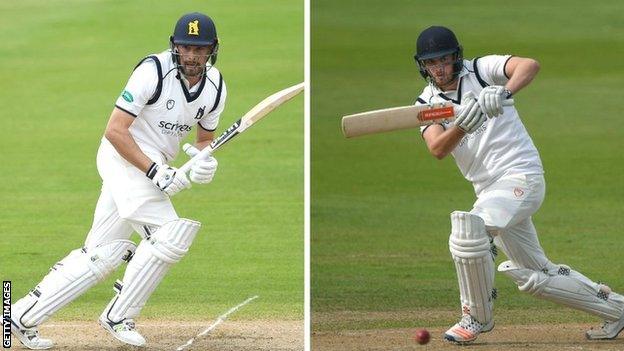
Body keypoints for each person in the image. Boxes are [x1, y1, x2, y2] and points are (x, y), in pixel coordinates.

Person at [9, 12, 225, 349]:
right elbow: (114, 131)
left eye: (199, 48)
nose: (192, 55)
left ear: (212, 49)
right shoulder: (152, 72)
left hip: (153, 165)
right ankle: (118, 315)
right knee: (171, 234)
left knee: (101, 252)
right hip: (123, 157)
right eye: (186, 47)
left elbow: (203, 140)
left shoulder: (216, 86)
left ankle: (19, 318)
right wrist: (154, 171)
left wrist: (203, 161)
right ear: (175, 47)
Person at [413, 25, 624, 344]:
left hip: (520, 175)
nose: (439, 68)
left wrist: (504, 91)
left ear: (456, 56)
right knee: (537, 276)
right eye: (432, 63)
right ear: (423, 65)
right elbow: (438, 148)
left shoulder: (481, 71)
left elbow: (529, 65)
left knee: (469, 230)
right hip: (490, 192)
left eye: (444, 60)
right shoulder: (428, 103)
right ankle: (618, 310)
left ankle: (475, 318)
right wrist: (463, 123)